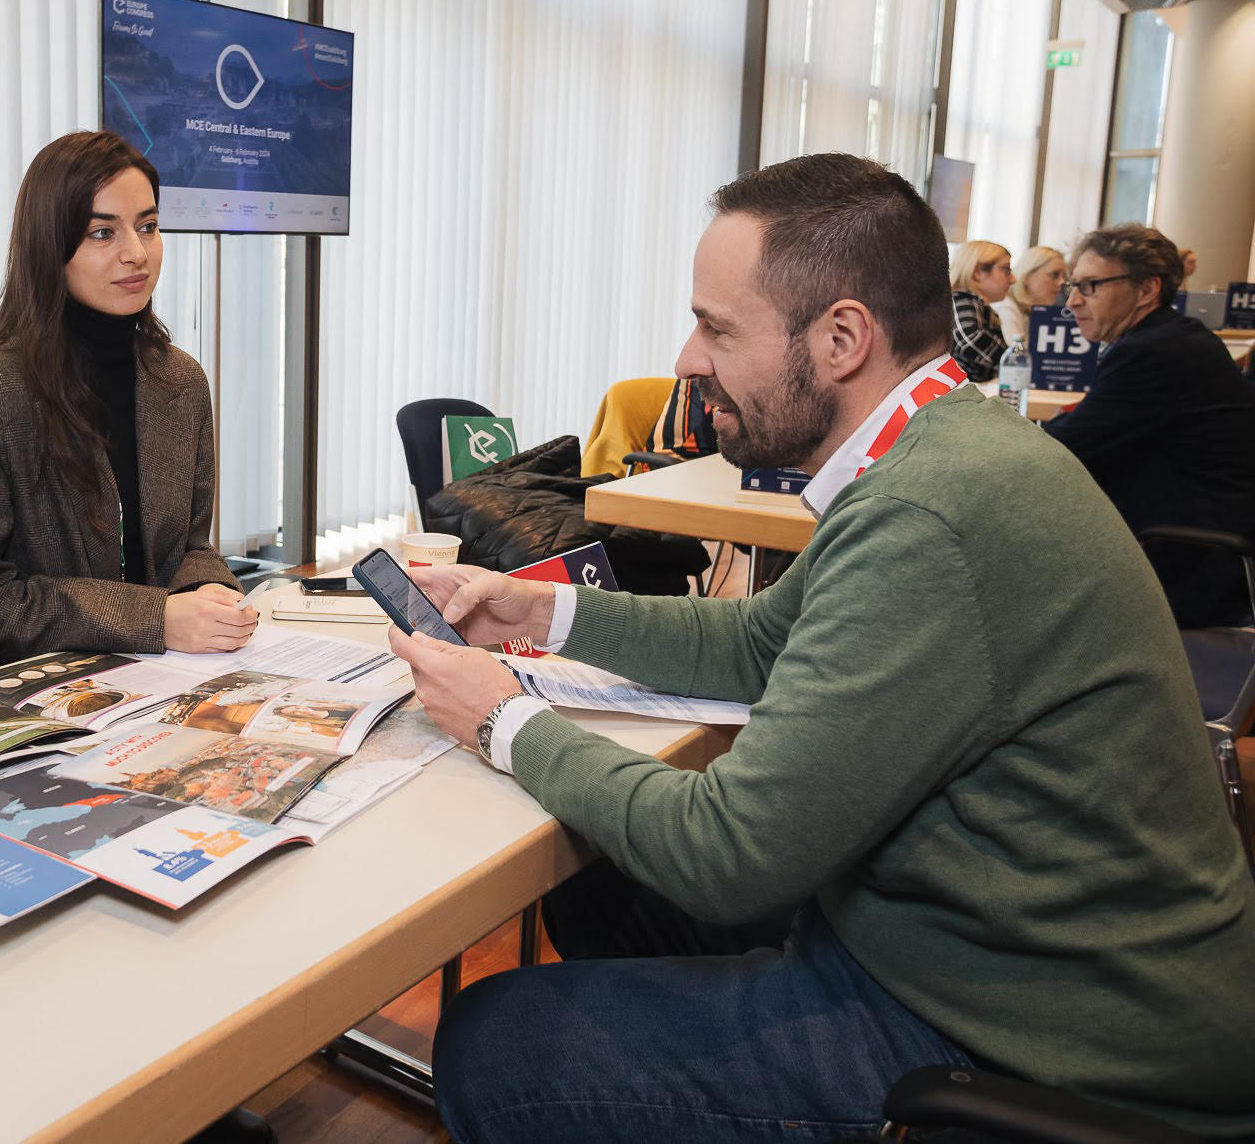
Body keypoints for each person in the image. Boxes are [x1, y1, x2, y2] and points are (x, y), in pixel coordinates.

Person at [383, 154, 1255, 1141]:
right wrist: (536, 615)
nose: (684, 357)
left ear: (840, 338)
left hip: (1042, 1044)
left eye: (716, 327)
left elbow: (729, 853)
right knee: (607, 884)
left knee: (497, 1045)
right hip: (998, 955)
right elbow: (763, 638)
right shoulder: (940, 450)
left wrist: (501, 717)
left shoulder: (928, 516)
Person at [0, 131, 256, 682]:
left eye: (148, 227)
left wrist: (210, 591)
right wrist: (158, 618)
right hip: (14, 693)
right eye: (103, 232)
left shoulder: (180, 380)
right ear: (49, 248)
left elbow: (190, 546)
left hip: (145, 679)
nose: (136, 253)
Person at [1045, 223, 1255, 627]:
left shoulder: (1151, 353)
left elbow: (1060, 451)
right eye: (1072, 284)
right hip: (1196, 537)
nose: (1071, 301)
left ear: (1146, 290)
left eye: (1089, 286)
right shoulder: (1176, 338)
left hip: (1187, 560)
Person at [946, 237, 1013, 380]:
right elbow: (969, 340)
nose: (1013, 279)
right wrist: (1013, 364)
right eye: (1006, 270)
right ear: (978, 272)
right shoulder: (962, 300)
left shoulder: (972, 304)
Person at [995, 242, 1065, 345]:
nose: (1061, 282)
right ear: (1027, 276)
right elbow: (1017, 358)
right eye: (1054, 275)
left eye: (1063, 276)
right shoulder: (1006, 308)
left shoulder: (1031, 312)